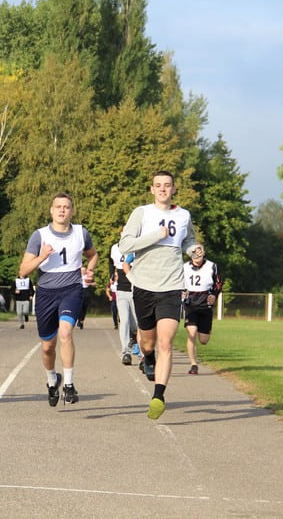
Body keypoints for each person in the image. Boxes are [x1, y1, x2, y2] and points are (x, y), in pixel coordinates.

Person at [118, 170, 197, 420]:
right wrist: (156, 235)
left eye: (167, 185)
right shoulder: (142, 213)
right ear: (151, 190)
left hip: (172, 286)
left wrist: (194, 249)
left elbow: (188, 240)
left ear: (174, 189)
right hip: (143, 285)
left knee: (166, 343)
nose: (163, 189)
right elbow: (125, 246)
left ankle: (158, 396)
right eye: (158, 185)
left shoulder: (184, 215)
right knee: (148, 343)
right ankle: (147, 358)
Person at [19, 193, 98, 406]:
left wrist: (89, 271)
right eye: (58, 207)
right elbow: (23, 271)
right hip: (46, 293)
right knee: (47, 347)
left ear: (72, 211)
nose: (62, 210)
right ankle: (52, 380)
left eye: (66, 207)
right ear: (51, 211)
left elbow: (93, 255)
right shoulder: (39, 236)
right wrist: (42, 256)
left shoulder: (81, 233)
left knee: (65, 332)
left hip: (71, 290)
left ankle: (70, 385)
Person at [182, 244, 222, 375]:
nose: (197, 254)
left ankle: (204, 330)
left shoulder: (212, 266)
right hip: (190, 304)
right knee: (191, 333)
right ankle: (194, 364)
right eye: (195, 251)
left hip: (205, 305)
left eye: (200, 251)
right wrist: (181, 292)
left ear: (203, 253)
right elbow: (177, 282)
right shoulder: (184, 267)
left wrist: (214, 295)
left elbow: (219, 283)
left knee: (204, 340)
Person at [110, 236, 138, 365]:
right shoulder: (115, 248)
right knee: (124, 320)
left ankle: (136, 340)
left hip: (136, 291)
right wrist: (111, 275)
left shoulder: (138, 247)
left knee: (136, 324)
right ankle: (126, 352)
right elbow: (111, 261)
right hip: (121, 291)